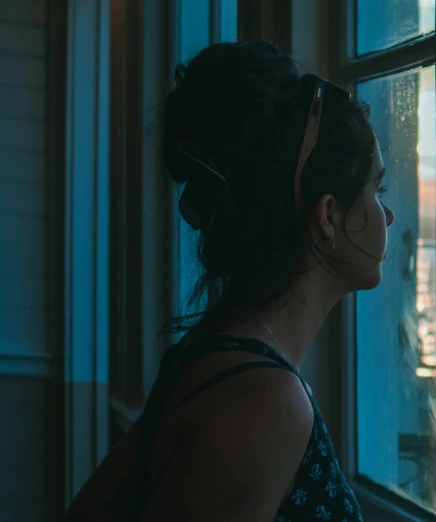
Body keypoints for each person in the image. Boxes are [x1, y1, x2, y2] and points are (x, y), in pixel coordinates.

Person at [65, 41, 394, 521]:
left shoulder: (215, 353)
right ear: (327, 216)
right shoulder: (264, 404)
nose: (386, 213)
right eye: (374, 189)